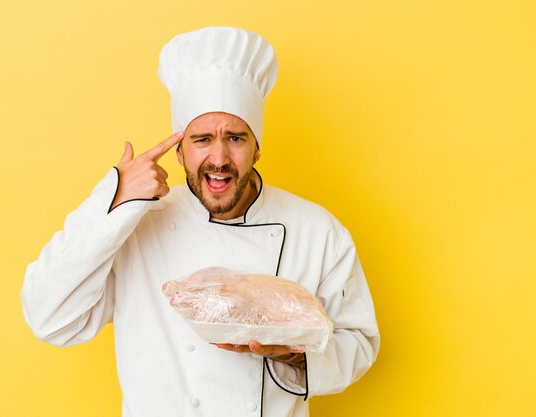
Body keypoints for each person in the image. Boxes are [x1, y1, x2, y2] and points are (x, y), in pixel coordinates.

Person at [21, 26, 379, 417]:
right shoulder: (137, 226)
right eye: (202, 139)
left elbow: (359, 342)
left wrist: (293, 354)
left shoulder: (316, 231)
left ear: (257, 146)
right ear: (179, 152)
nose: (220, 158)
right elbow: (49, 317)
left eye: (236, 138)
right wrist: (113, 200)